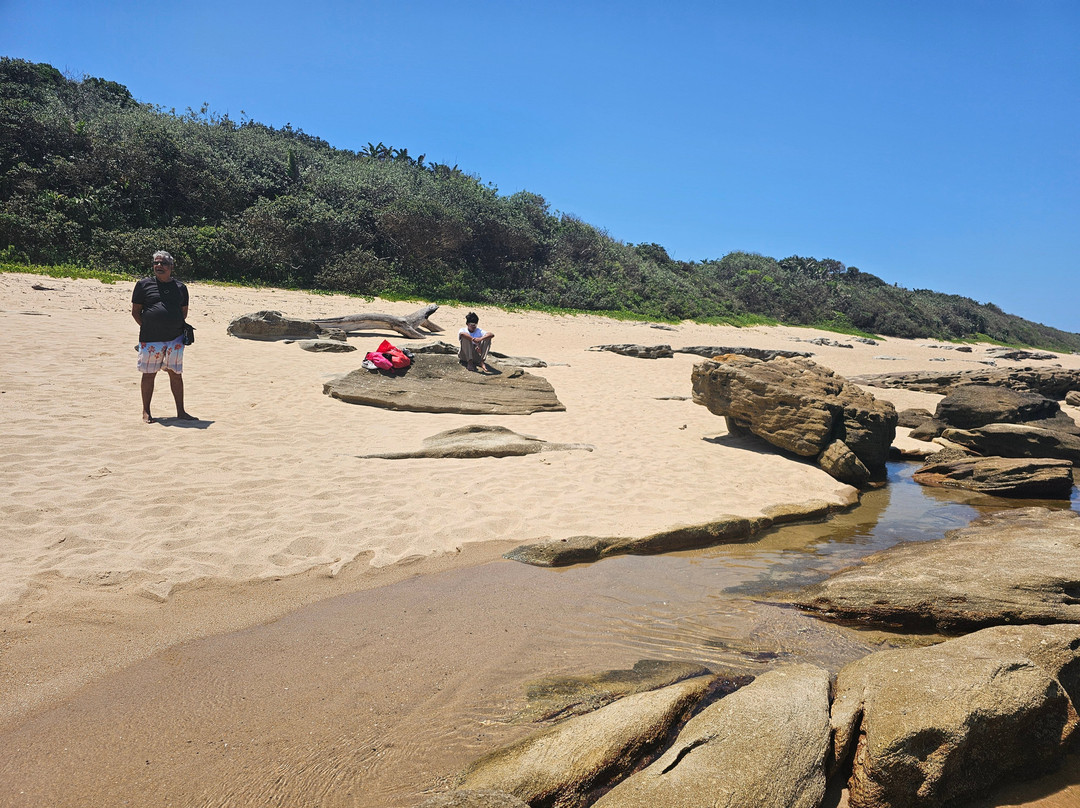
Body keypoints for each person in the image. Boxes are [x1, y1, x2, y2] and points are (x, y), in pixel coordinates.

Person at [131, 251, 196, 423]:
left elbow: (184, 312)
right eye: (156, 263)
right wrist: (149, 326)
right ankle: (146, 411)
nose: (159, 266)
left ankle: (181, 412)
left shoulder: (181, 288)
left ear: (171, 267)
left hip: (175, 339)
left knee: (176, 374)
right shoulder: (143, 285)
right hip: (150, 339)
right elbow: (135, 311)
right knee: (148, 374)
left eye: (163, 263)